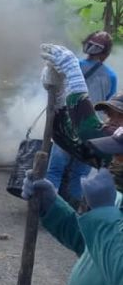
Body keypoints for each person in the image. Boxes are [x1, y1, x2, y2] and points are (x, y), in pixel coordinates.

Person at [45, 31, 116, 207]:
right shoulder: (111, 76)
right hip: (94, 134)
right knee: (79, 175)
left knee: (54, 170)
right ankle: (72, 209)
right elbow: (110, 102)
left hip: (67, 126)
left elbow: (57, 91)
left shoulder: (72, 66)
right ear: (106, 54)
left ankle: (47, 209)